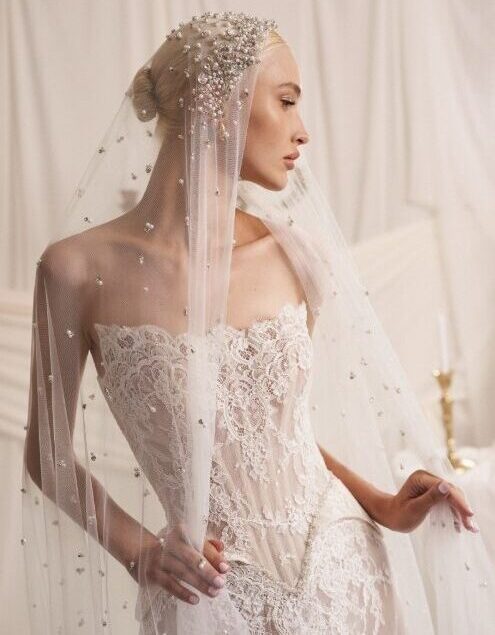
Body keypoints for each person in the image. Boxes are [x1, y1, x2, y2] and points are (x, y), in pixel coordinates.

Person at [22, 10, 495, 635]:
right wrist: (140, 552)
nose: (303, 131)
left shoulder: (298, 255)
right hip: (212, 595)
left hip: (344, 572)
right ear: (221, 105)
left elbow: (283, 437)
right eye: (287, 100)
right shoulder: (74, 271)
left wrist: (383, 503)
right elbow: (48, 455)